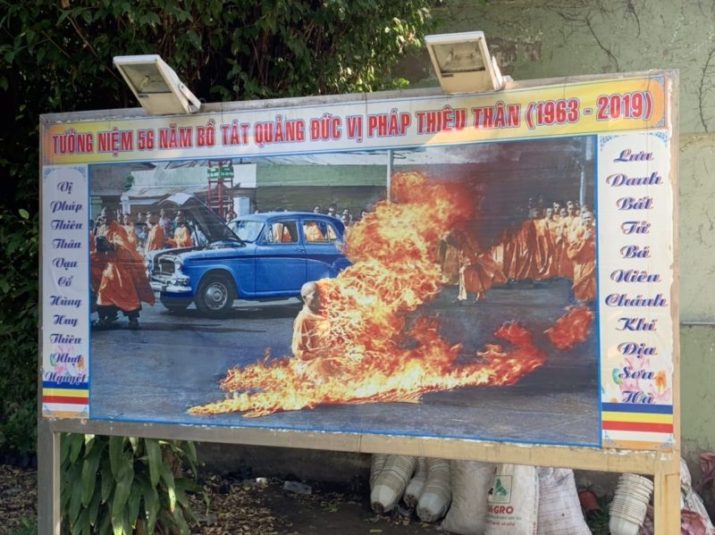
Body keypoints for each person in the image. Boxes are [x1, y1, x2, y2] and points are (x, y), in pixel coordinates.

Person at [92, 207, 155, 328]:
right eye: (103, 217)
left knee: (127, 293)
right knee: (104, 292)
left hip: (119, 267)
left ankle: (133, 319)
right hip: (108, 267)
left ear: (112, 216)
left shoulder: (119, 229)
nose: (105, 219)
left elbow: (123, 244)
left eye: (107, 216)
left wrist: (111, 245)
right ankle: (105, 317)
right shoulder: (101, 228)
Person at [566, 211, 596, 302]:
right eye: (585, 218)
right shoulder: (579, 230)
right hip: (580, 261)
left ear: (592, 219)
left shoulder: (596, 230)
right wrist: (584, 239)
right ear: (582, 219)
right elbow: (573, 245)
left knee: (590, 282)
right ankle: (580, 300)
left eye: (589, 217)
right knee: (580, 281)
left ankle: (590, 301)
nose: (587, 220)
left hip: (591, 261)